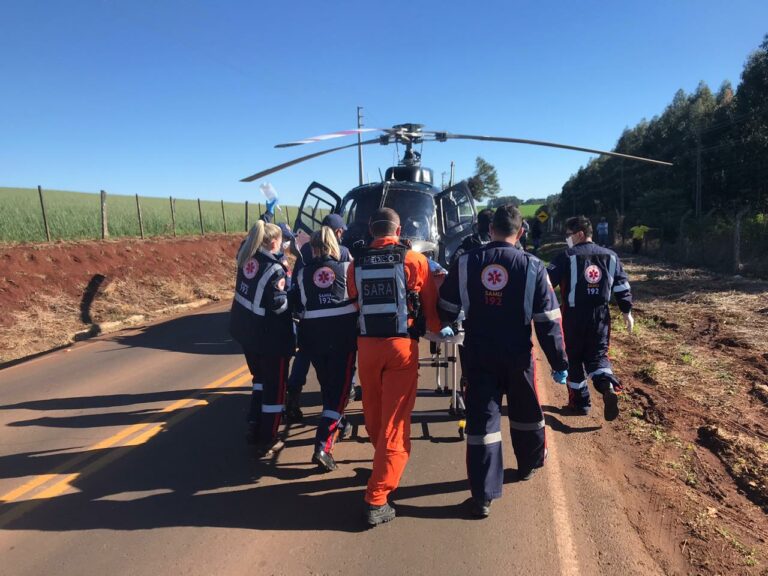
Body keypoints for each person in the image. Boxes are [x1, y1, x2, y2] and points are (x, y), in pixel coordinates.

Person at [439, 205, 568, 518]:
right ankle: (529, 464)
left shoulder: (466, 261)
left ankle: (483, 495)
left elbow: (446, 305)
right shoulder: (534, 266)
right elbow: (548, 320)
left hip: (478, 353)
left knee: (483, 422)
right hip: (518, 354)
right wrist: (559, 361)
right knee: (526, 411)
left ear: (490, 230)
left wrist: (446, 321)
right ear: (520, 232)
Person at [346, 207, 443, 527]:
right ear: (399, 230)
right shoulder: (414, 261)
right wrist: (436, 329)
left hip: (366, 347)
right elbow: (430, 306)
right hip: (400, 348)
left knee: (373, 413)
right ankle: (377, 497)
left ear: (372, 231)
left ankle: (381, 463)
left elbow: (355, 300)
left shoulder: (354, 263)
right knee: (396, 424)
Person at [547, 215, 634, 420]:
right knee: (598, 356)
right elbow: (622, 287)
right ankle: (607, 387)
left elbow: (546, 284)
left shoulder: (566, 256)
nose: (567, 239)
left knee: (573, 358)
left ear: (579, 234)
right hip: (601, 316)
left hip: (573, 316)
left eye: (568, 235)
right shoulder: (611, 256)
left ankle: (580, 403)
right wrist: (626, 312)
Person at [291, 226, 358, 472]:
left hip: (313, 340)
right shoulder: (348, 269)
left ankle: (339, 424)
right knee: (338, 396)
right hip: (342, 338)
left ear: (314, 247)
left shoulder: (303, 273)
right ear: (335, 244)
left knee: (329, 388)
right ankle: (322, 446)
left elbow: (297, 305)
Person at [229, 220, 295, 457]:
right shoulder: (274, 269)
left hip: (246, 333)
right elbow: (279, 306)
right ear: (274, 242)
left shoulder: (246, 258)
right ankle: (268, 437)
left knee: (259, 379)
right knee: (275, 388)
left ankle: (253, 423)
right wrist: (294, 298)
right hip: (270, 339)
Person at [285, 213, 353, 421]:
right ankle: (337, 411)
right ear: (339, 232)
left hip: (309, 318)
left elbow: (297, 281)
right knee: (339, 371)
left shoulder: (305, 249)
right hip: (339, 326)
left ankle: (293, 397)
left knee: (305, 356)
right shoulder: (343, 253)